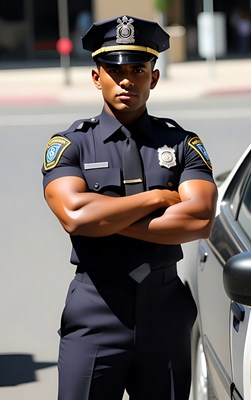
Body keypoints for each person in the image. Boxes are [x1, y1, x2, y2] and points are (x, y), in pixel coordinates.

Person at [41, 15, 217, 400]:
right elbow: (74, 215)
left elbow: (200, 218)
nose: (126, 80)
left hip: (165, 308)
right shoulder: (71, 145)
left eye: (138, 69)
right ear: (95, 76)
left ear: (153, 78)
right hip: (95, 310)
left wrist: (104, 219)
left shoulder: (183, 143)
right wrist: (155, 199)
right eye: (114, 69)